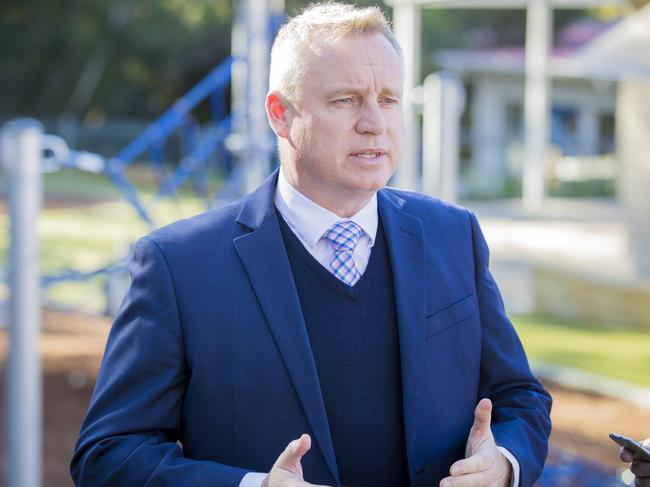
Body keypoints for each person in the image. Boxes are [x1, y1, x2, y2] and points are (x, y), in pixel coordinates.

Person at [71, 3, 552, 486]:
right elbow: (109, 454)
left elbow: (520, 397)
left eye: (388, 99)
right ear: (281, 114)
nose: (374, 123)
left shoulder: (453, 235)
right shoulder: (179, 267)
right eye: (345, 100)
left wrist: (503, 465)